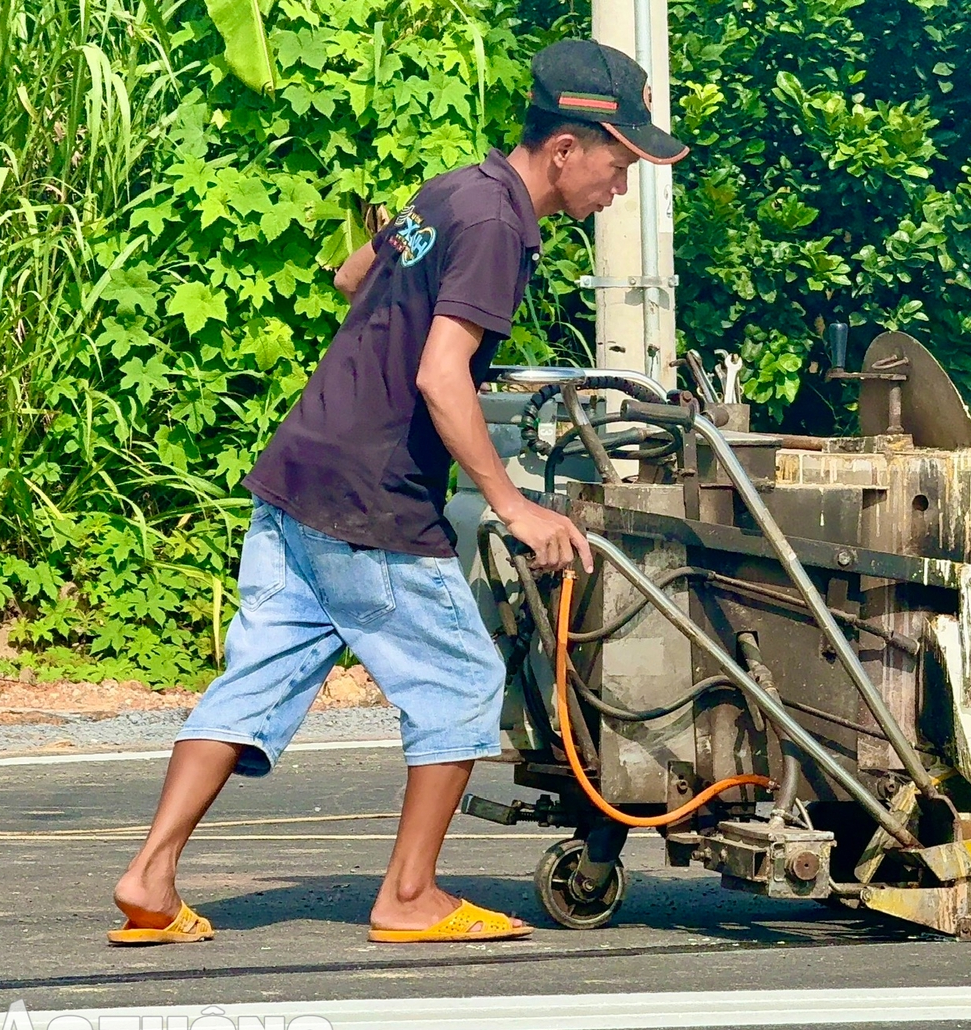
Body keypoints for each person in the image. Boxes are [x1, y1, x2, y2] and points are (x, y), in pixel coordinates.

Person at [107, 39, 689, 945]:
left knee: (253, 683)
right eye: (619, 165)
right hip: (373, 498)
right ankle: (409, 895)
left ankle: (148, 876)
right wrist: (512, 502)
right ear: (567, 147)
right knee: (461, 678)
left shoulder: (456, 189)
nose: (620, 188)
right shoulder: (499, 225)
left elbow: (353, 277)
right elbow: (441, 375)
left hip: (300, 469)